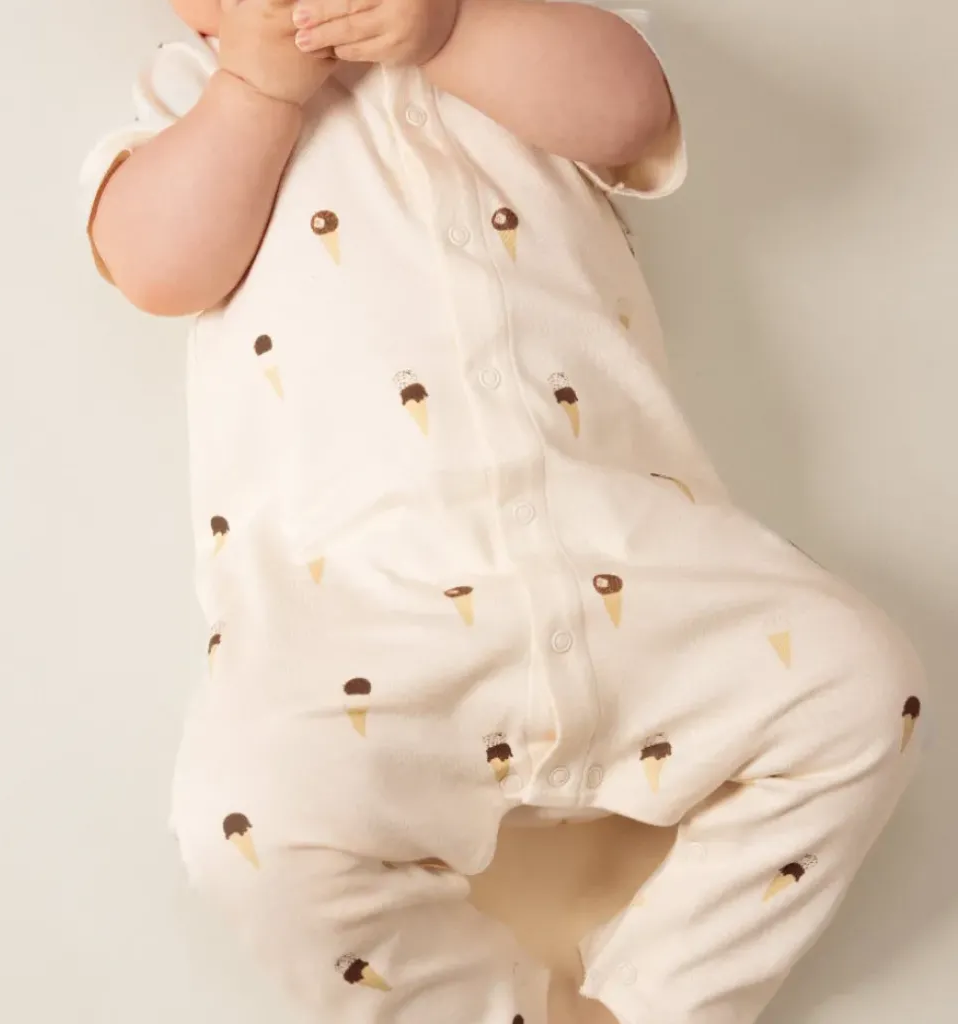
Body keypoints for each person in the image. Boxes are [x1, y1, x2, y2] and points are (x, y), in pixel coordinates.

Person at [80, 2, 926, 1022]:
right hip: (362, 607)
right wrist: (254, 89)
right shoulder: (186, 96)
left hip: (631, 553)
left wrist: (445, 30)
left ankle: (658, 999)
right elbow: (155, 268)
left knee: (859, 686)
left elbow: (628, 109)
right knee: (247, 826)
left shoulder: (512, 29)